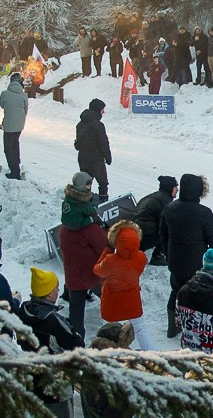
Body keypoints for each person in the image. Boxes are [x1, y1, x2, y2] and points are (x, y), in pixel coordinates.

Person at [16, 268, 89, 418]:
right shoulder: (53, 321)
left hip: (33, 375)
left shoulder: (24, 311)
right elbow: (76, 345)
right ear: (49, 294)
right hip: (56, 380)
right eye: (56, 287)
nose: (59, 290)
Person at [161, 174, 213, 339]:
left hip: (175, 261)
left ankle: (172, 327)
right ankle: (196, 330)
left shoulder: (169, 208)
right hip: (197, 264)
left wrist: (168, 253)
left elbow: (163, 234)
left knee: (176, 291)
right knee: (198, 295)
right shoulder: (203, 213)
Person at [58, 172, 108, 336]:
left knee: (76, 307)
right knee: (107, 295)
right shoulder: (90, 230)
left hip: (73, 274)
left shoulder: (65, 228)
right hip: (91, 273)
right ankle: (114, 324)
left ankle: (75, 336)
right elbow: (104, 249)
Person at [94, 220, 148, 347]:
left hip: (112, 301)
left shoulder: (110, 260)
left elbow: (97, 270)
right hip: (132, 299)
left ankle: (111, 356)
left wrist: (107, 251)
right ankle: (152, 353)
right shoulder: (141, 257)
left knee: (109, 332)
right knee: (140, 328)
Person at [136, 174, 178, 268]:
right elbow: (167, 225)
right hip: (143, 238)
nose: (177, 190)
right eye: (175, 187)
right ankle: (158, 256)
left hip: (135, 233)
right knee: (172, 229)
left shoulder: (153, 196)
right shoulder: (165, 202)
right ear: (169, 188)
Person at [75, 98, 112, 199]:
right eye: (102, 109)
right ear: (98, 110)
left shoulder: (80, 124)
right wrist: (108, 157)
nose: (103, 112)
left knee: (86, 182)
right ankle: (103, 203)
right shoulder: (98, 125)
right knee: (103, 182)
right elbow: (103, 143)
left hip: (83, 158)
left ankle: (84, 203)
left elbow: (78, 144)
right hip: (96, 160)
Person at [0, 68, 27, 180]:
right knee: (15, 143)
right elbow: (26, 109)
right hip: (20, 124)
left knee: (8, 148)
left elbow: (2, 105)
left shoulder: (4, 94)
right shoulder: (23, 95)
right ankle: (17, 163)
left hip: (9, 124)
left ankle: (14, 171)